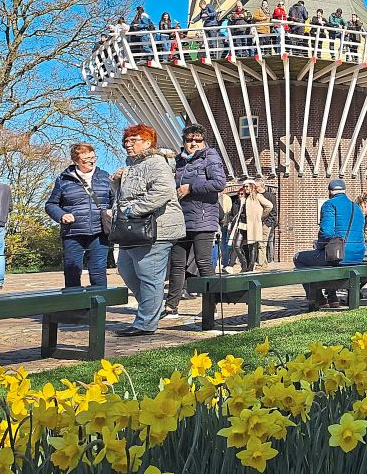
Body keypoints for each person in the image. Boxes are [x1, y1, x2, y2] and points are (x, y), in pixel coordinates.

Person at [112, 124, 184, 337]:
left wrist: (133, 210)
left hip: (156, 228)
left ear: (148, 142)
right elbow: (128, 194)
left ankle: (145, 323)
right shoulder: (131, 165)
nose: (128, 144)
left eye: (133, 140)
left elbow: (163, 191)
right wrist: (117, 183)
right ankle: (154, 308)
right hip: (133, 228)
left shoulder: (155, 162)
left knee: (148, 275)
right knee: (126, 270)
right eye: (126, 140)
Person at [167, 124, 225, 319]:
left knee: (202, 261)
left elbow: (219, 183)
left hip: (203, 218)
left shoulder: (211, 157)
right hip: (181, 218)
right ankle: (171, 306)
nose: (193, 143)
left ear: (204, 141)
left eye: (198, 140)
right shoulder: (178, 161)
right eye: (189, 140)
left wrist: (190, 187)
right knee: (177, 263)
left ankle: (211, 306)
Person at [45, 143, 113, 288]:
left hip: (99, 231)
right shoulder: (63, 180)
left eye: (93, 158)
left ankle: (99, 305)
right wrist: (62, 215)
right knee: (72, 270)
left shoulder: (105, 177)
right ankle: (74, 307)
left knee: (98, 270)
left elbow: (116, 201)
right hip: (72, 232)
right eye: (86, 159)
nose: (91, 161)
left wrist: (112, 210)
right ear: (76, 161)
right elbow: (50, 204)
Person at [294, 179, 364, 310]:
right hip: (358, 256)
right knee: (328, 257)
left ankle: (317, 298)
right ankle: (332, 297)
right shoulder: (357, 208)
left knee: (299, 258)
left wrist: (319, 245)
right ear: (344, 191)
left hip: (340, 255)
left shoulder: (329, 205)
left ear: (330, 192)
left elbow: (326, 232)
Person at [225, 180, 273, 271]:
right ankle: (244, 264)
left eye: (247, 186)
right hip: (242, 225)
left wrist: (260, 217)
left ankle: (250, 267)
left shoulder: (257, 196)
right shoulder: (244, 197)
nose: (245, 188)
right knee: (236, 245)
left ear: (252, 186)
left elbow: (269, 206)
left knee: (252, 246)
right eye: (244, 186)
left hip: (253, 225)